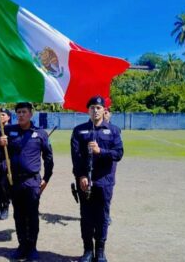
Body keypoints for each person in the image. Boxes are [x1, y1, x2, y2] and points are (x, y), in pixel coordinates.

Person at [0, 102, 54, 261]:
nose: (21, 115)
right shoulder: (8, 131)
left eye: (24, 112)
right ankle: (22, 245)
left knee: (32, 215)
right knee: (19, 215)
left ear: (31, 114)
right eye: (18, 112)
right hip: (14, 181)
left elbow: (48, 158)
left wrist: (46, 178)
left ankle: (32, 247)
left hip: (32, 182)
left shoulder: (40, 133)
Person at [70, 96, 124, 262]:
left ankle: (100, 251)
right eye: (92, 107)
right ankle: (87, 251)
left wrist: (100, 151)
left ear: (104, 110)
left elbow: (118, 153)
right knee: (86, 217)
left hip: (104, 181)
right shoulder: (79, 130)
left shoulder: (113, 130)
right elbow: (76, 156)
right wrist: (81, 176)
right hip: (85, 182)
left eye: (98, 108)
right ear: (88, 110)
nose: (95, 110)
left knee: (102, 217)